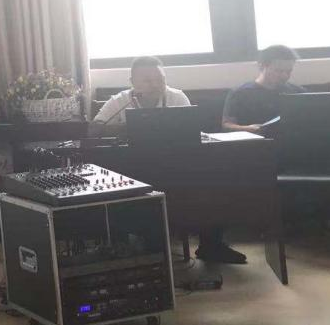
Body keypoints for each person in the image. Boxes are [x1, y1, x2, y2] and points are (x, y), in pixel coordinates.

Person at [92, 57, 246, 264]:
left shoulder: (176, 97)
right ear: (133, 82)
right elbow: (95, 129)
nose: (155, 84)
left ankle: (211, 245)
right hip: (135, 169)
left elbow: (191, 131)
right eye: (147, 80)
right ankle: (144, 245)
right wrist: (133, 127)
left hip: (177, 165)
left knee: (215, 180)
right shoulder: (120, 101)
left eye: (160, 79)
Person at [222, 45, 304, 134]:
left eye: (289, 71)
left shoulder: (297, 92)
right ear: (262, 67)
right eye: (279, 71)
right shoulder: (240, 93)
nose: (284, 75)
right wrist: (248, 129)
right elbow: (227, 125)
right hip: (256, 140)